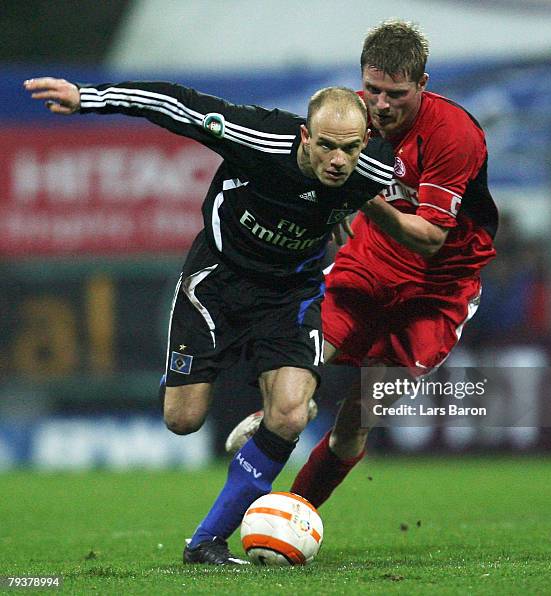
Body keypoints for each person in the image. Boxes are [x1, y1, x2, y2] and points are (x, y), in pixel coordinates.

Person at [25, 76, 395, 564]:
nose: (337, 160)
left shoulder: (374, 169)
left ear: (363, 143)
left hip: (290, 296)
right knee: (182, 418)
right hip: (217, 284)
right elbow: (177, 104)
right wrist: (89, 99)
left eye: (349, 149)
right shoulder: (259, 137)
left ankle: (207, 541)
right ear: (304, 135)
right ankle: (231, 393)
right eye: (325, 146)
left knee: (290, 414)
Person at [227, 19, 498, 507]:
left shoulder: (453, 134)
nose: (381, 105)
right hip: (368, 261)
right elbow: (304, 165)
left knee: (356, 420)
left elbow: (432, 239)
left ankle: (295, 510)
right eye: (372, 89)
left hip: (438, 291)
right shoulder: (349, 117)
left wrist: (358, 196)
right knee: (301, 355)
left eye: (396, 93)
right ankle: (281, 434)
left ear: (422, 85)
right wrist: (326, 203)